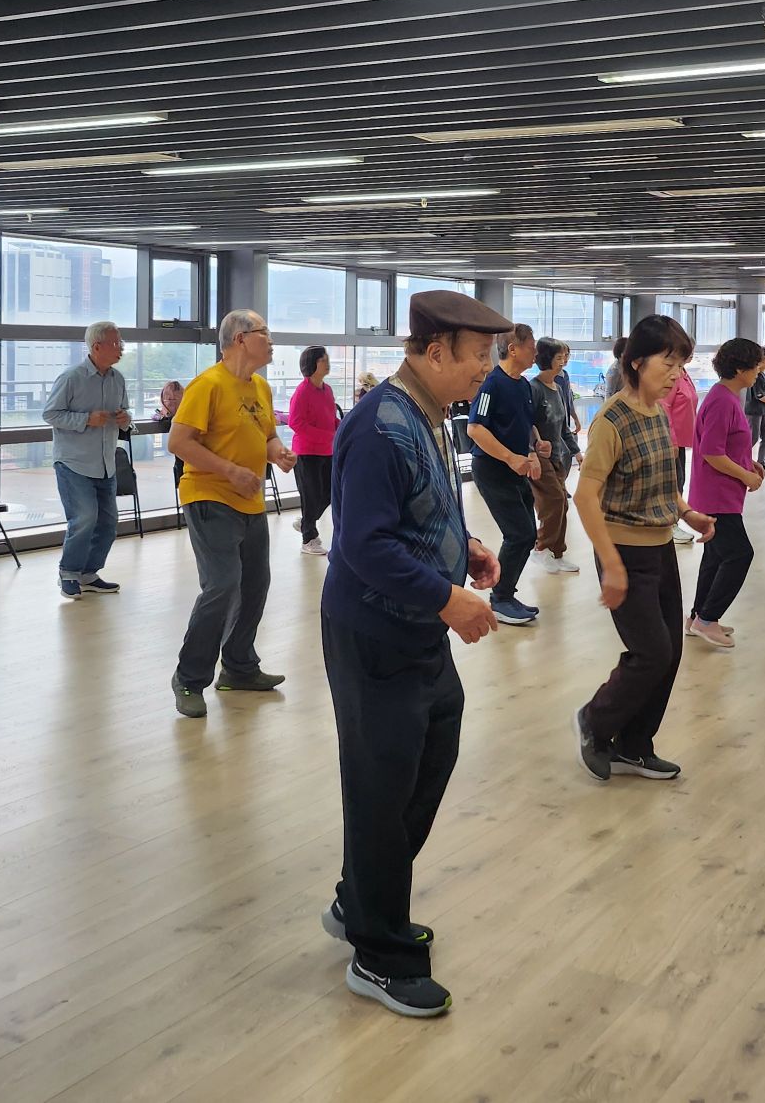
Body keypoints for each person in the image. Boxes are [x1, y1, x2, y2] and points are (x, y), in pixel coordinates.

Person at [320, 289, 507, 1020]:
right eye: (478, 356)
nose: (486, 369)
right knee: (382, 786)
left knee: (428, 756)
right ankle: (378, 954)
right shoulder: (380, 426)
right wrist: (445, 597)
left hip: (416, 627)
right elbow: (363, 543)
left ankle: (360, 898)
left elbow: (421, 510)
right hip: (376, 632)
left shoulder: (429, 414)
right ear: (434, 352)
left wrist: (469, 548)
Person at [572, 315, 714, 783]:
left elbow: (663, 481)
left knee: (669, 652)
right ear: (636, 362)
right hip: (624, 551)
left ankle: (634, 746)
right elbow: (585, 497)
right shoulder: (611, 420)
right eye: (667, 364)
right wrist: (611, 565)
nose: (676, 375)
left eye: (681, 365)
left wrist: (687, 512)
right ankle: (594, 721)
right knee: (651, 652)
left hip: (660, 549)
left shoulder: (657, 412)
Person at [168, 309, 297, 718]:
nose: (271, 340)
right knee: (222, 585)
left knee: (255, 584)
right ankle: (188, 679)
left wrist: (278, 453)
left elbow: (267, 435)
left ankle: (239, 667)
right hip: (209, 497)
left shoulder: (260, 387)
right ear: (240, 339)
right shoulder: (208, 385)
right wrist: (229, 470)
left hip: (249, 500)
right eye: (264, 332)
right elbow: (179, 442)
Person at [41, 321, 130, 599]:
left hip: (105, 463)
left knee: (108, 523)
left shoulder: (118, 379)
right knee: (84, 519)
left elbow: (125, 413)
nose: (121, 348)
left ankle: (89, 574)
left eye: (121, 342)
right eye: (116, 343)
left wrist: (126, 419)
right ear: (97, 347)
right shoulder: (71, 377)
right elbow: (50, 414)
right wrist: (86, 419)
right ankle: (68, 573)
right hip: (74, 463)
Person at [688, 337, 765, 647]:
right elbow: (712, 452)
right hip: (716, 496)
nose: (758, 372)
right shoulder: (722, 400)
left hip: (720, 494)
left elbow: (728, 445)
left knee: (715, 557)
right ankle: (708, 619)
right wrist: (745, 474)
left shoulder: (727, 397)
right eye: (755, 367)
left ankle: (697, 616)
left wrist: (749, 464)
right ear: (739, 369)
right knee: (739, 554)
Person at [466, 324, 544, 627]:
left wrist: (535, 447)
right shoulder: (491, 384)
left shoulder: (523, 385)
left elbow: (524, 424)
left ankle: (506, 593)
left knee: (527, 533)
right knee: (519, 533)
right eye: (531, 347)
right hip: (492, 469)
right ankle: (500, 598)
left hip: (516, 470)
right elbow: (475, 429)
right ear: (513, 349)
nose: (535, 353)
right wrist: (510, 457)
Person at [528, 338, 579, 575]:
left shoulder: (557, 387)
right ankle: (541, 548)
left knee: (562, 504)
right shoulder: (534, 388)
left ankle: (557, 553)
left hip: (559, 455)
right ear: (547, 359)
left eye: (565, 357)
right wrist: (535, 444)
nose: (564, 362)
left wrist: (577, 452)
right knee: (554, 501)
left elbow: (563, 428)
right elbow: (526, 422)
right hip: (540, 456)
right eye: (559, 358)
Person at [289, 346, 341, 557]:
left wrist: (341, 428)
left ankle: (305, 522)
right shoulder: (302, 392)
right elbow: (295, 423)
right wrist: (327, 436)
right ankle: (308, 538)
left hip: (326, 451)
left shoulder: (327, 390)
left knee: (329, 492)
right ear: (312, 364)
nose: (327, 363)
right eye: (323, 359)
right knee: (310, 495)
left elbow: (330, 418)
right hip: (307, 452)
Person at [663, 360, 700, 545]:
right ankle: (669, 524)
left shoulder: (683, 373)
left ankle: (673, 521)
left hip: (683, 439)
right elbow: (664, 406)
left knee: (680, 480)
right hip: (672, 441)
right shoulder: (671, 374)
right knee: (673, 482)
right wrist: (672, 440)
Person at [745, 347, 765, 466]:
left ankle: (761, 462)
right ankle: (741, 460)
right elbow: (760, 396)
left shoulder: (762, 374)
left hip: (763, 411)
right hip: (754, 411)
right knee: (753, 438)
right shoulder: (756, 375)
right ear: (763, 359)